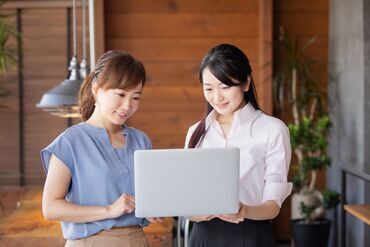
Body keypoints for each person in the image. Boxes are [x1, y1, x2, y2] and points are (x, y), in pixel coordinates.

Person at [40, 50, 157, 247]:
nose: (127, 105)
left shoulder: (141, 140)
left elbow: (150, 195)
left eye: (136, 97)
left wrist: (155, 208)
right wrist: (108, 211)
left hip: (138, 241)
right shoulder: (70, 142)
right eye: (120, 94)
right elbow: (50, 208)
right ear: (96, 89)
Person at [185, 44, 292, 247]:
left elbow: (272, 205)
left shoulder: (272, 129)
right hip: (203, 237)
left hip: (250, 235)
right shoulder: (195, 133)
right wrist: (193, 212)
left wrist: (244, 210)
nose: (217, 97)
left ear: (246, 83)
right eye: (208, 88)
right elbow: (189, 199)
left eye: (225, 87)